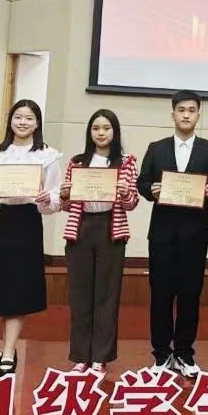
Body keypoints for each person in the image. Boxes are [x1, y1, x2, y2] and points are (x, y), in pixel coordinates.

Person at [138, 90, 208, 377]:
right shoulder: (157, 147)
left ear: (198, 114)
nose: (186, 115)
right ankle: (162, 354)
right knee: (160, 295)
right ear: (173, 113)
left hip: (195, 235)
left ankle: (185, 353)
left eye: (191, 110)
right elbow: (142, 182)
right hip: (162, 235)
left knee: (190, 295)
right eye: (181, 110)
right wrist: (151, 189)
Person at [0, 99, 62, 375]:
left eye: (29, 118)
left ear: (37, 123)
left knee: (18, 286)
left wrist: (46, 199)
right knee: (1, 286)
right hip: (1, 222)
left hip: (27, 222)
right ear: (10, 120)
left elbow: (55, 199)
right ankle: (4, 347)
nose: (23, 122)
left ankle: (9, 350)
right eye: (18, 117)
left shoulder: (47, 156)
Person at [59, 109, 138, 376]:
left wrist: (125, 194)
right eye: (96, 128)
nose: (101, 133)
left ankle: (100, 358)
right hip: (80, 229)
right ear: (89, 132)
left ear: (115, 132)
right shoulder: (77, 162)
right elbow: (66, 205)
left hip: (111, 230)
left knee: (107, 296)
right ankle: (80, 357)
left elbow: (132, 203)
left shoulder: (126, 162)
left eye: (106, 128)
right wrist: (64, 195)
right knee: (80, 295)